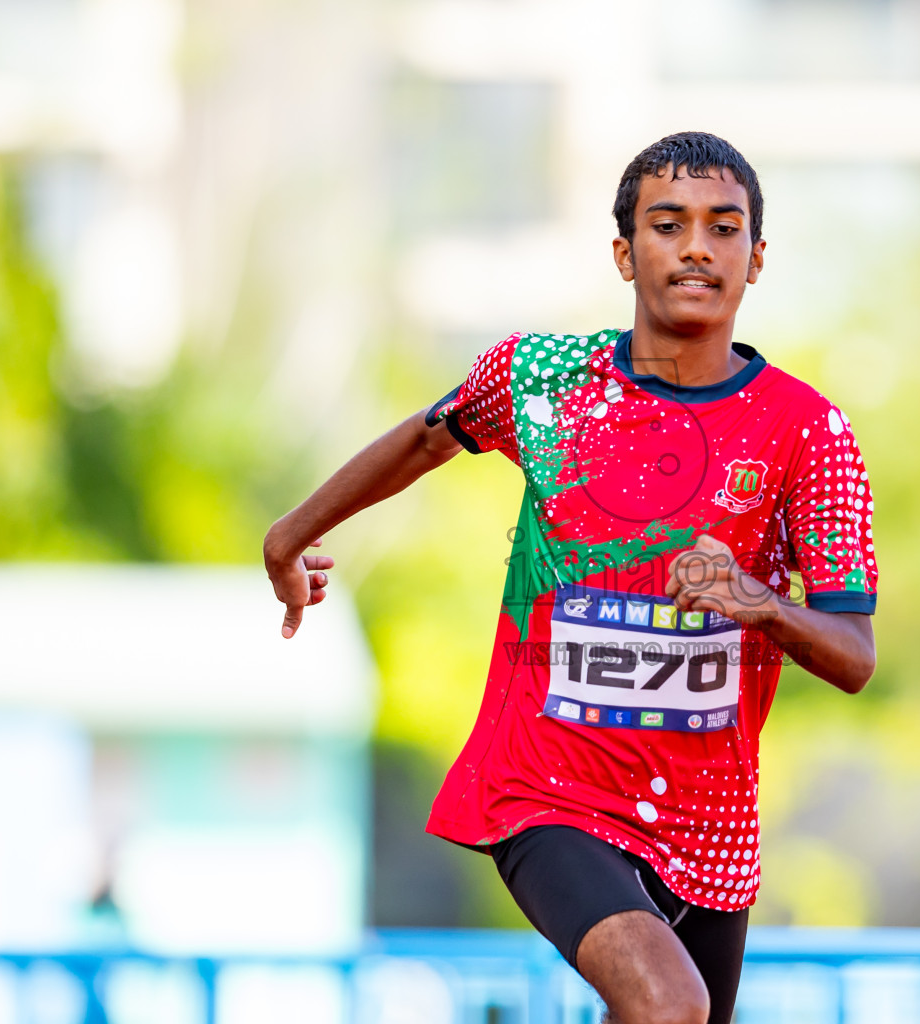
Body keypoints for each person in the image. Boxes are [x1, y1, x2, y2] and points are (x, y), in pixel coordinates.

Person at [264, 131, 877, 1024]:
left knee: (677, 1010)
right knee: (667, 1004)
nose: (697, 247)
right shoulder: (544, 378)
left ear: (757, 258)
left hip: (707, 831)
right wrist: (289, 538)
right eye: (668, 225)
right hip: (545, 787)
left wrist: (752, 598)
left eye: (723, 226)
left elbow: (853, 655)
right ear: (626, 254)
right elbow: (423, 440)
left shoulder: (808, 434)